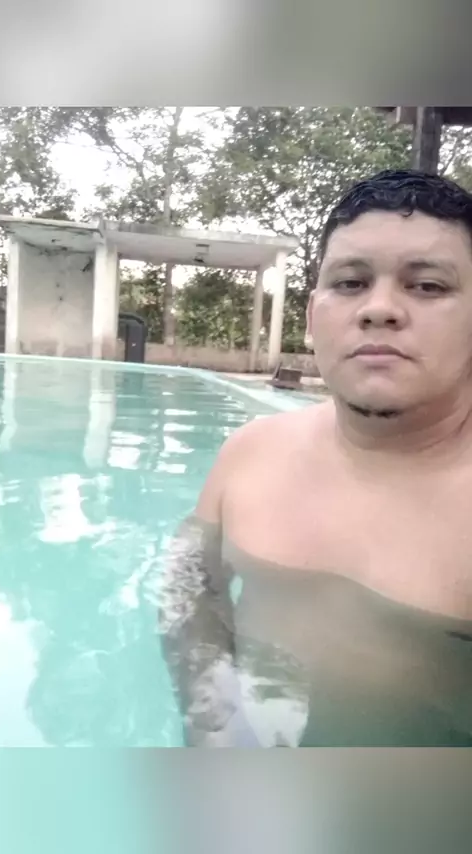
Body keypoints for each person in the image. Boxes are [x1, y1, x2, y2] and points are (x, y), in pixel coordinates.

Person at [159, 169, 472, 747]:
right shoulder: (250, 453)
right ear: (310, 319)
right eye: (350, 283)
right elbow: (190, 584)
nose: (379, 309)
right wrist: (214, 719)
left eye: (427, 286)